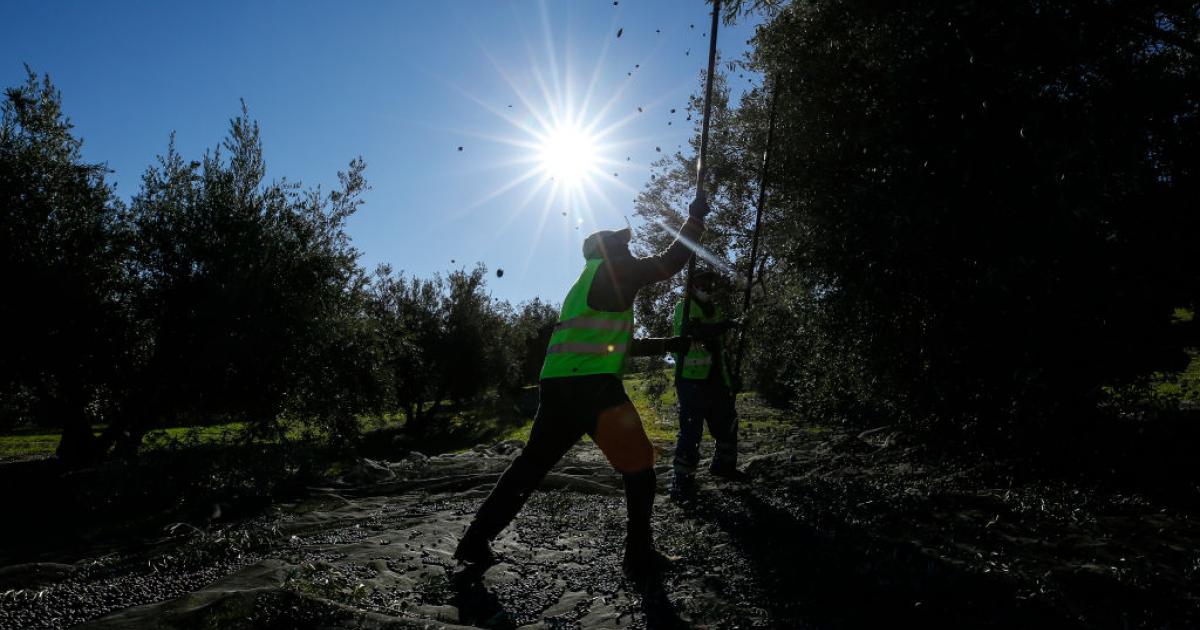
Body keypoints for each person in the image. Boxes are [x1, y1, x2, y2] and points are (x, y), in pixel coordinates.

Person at [453, 194, 709, 583]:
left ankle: (474, 542)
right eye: (623, 244)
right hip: (592, 387)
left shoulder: (589, 283)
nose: (629, 249)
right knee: (640, 467)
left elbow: (615, 345)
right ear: (609, 249)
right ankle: (638, 557)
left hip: (560, 386)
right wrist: (694, 221)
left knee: (530, 467)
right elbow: (669, 263)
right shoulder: (615, 269)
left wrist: (668, 345)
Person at [669, 268, 745, 496]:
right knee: (691, 430)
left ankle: (724, 466)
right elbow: (696, 331)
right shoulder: (683, 307)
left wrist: (730, 377)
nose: (707, 288)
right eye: (702, 283)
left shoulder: (716, 310)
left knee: (727, 422)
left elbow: (721, 348)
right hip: (690, 380)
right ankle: (682, 481)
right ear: (691, 285)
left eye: (710, 284)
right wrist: (727, 324)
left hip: (716, 379)